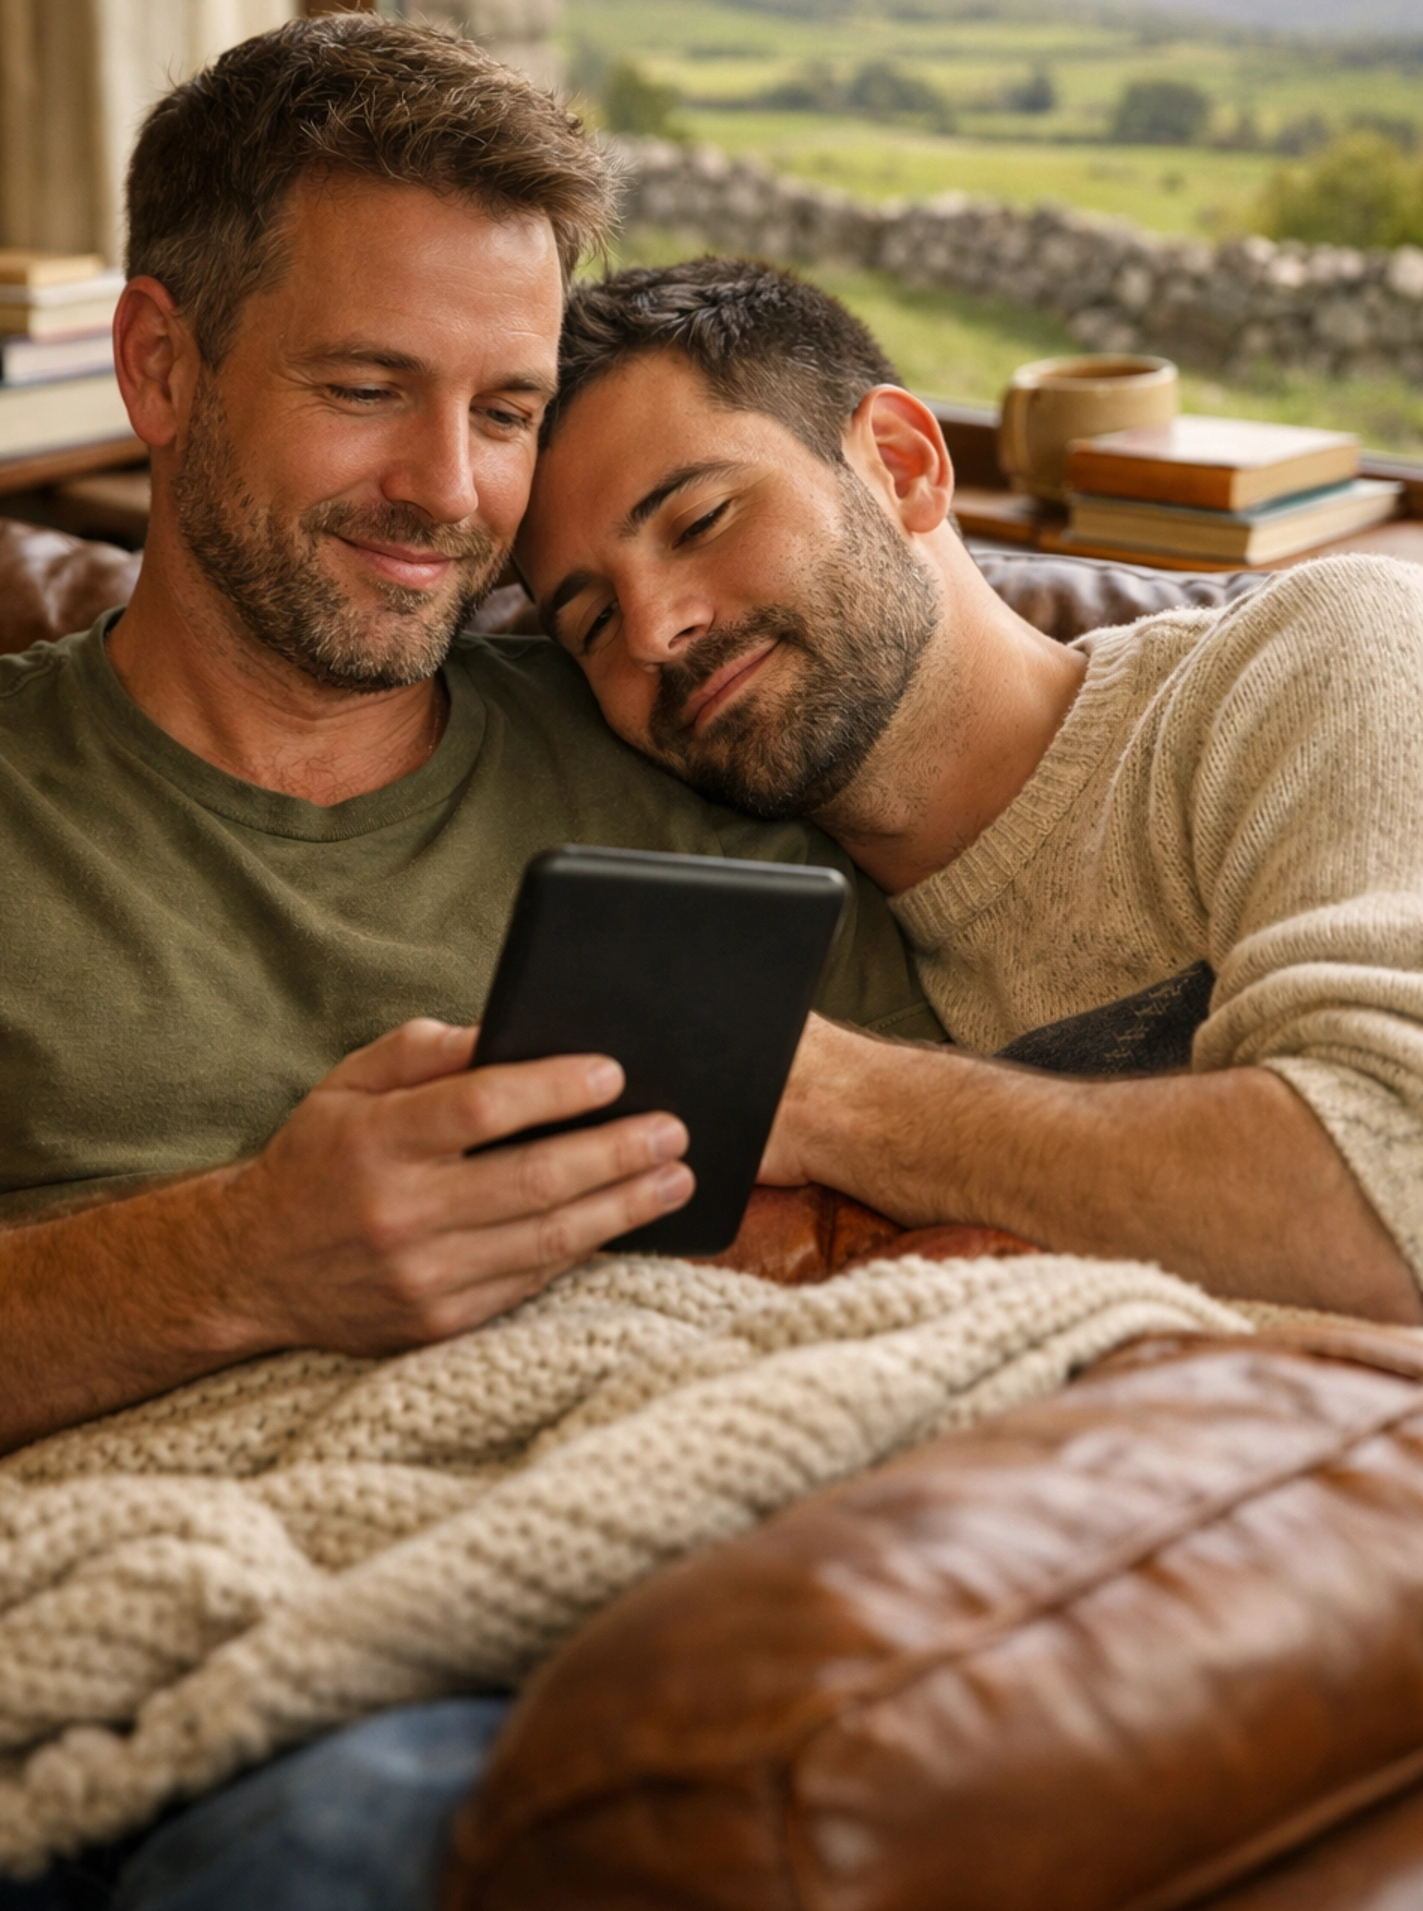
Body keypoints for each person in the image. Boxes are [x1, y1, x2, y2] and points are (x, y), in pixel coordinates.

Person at [0, 28, 930, 1911]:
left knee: (353, 1837)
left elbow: (921, 1256)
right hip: (40, 1612)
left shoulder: (660, 740)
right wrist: (242, 1256)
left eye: (508, 408)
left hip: (493, 1622)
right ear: (160, 367)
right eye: (367, 388)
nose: (447, 490)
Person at [517, 254, 1423, 1330]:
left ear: (902, 465)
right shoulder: (785, 923)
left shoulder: (1321, 653)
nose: (657, 629)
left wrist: (823, 1095)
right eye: (591, 624)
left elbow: (1391, 1201)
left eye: (702, 519)